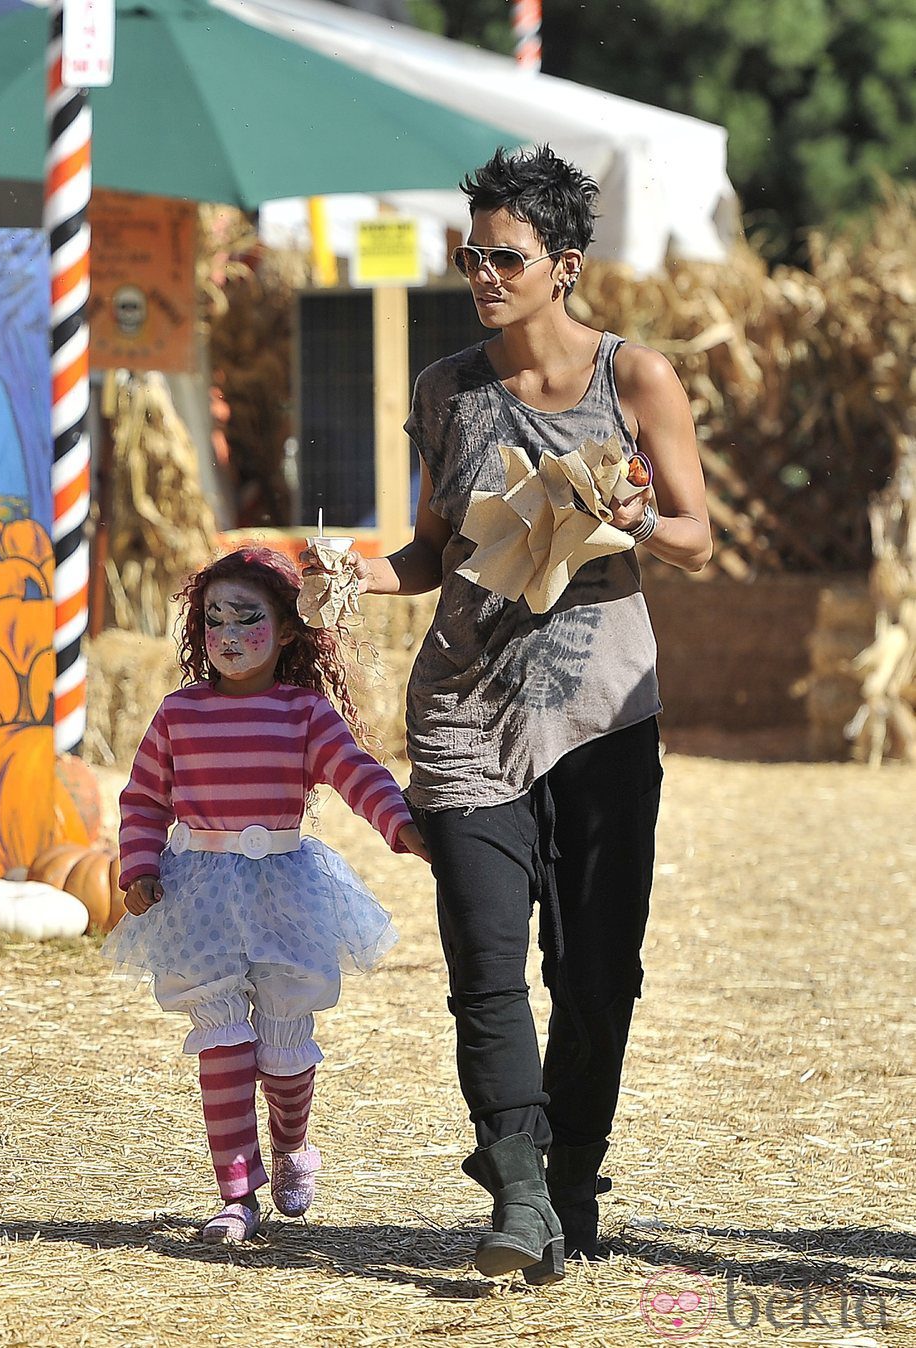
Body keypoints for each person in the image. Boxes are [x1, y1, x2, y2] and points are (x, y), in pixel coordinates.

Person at [303, 144, 711, 1284]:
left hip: (601, 717)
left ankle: (572, 1168)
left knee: (594, 973)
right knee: (483, 965)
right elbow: (433, 553)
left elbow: (696, 533)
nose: (480, 272)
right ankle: (518, 1190)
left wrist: (627, 519)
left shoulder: (634, 381)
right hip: (463, 719)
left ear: (562, 265)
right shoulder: (444, 391)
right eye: (468, 254)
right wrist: (346, 573)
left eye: (504, 256)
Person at [101, 545, 429, 1245]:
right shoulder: (178, 714)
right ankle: (236, 1194)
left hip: (285, 887)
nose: (226, 637)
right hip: (199, 891)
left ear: (285, 631)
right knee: (221, 1038)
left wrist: (402, 825)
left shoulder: (303, 713)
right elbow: (142, 799)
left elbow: (356, 774)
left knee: (282, 1048)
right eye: (212, 621)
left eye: (245, 619)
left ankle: (290, 1145)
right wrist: (137, 868)